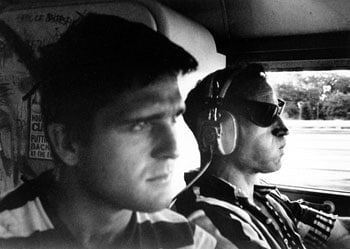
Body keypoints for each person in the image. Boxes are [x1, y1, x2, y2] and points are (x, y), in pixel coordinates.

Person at [0, 13, 232, 249]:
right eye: (140, 124)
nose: (172, 149)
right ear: (68, 143)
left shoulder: (185, 239)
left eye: (173, 118)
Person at [175, 64, 350, 249]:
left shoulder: (265, 196)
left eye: (278, 112)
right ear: (218, 130)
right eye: (265, 113)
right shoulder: (209, 222)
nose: (283, 129)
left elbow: (342, 232)